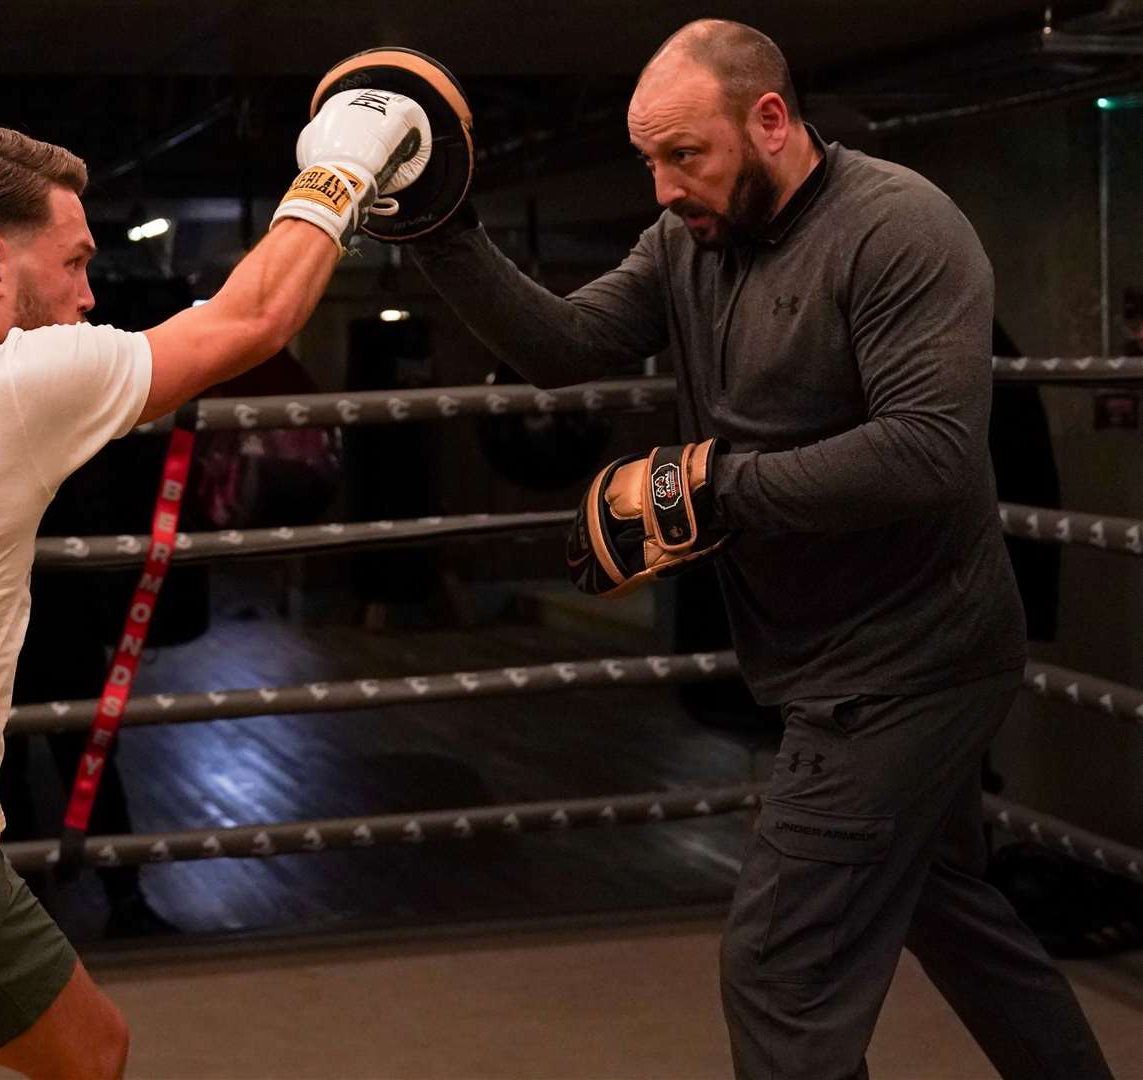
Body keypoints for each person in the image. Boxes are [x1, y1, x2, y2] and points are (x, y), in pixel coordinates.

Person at [408, 19, 1113, 1080]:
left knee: (781, 973)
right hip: (820, 651)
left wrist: (713, 489)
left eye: (683, 154)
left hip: (909, 661)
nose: (661, 187)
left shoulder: (898, 230)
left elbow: (926, 452)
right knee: (953, 914)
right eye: (648, 159)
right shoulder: (689, 239)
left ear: (771, 120)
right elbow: (563, 345)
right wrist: (439, 226)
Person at [0, 87, 429, 1080]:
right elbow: (259, 316)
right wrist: (346, 162)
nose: (87, 296)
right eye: (73, 264)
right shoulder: (10, 387)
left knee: (92, 1051)